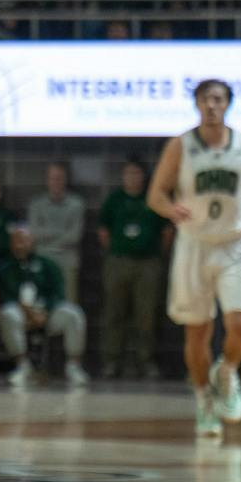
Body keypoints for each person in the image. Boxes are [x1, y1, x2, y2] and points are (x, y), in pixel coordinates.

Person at [147, 79, 241, 437]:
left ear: (228, 105)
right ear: (197, 104)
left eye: (218, 99)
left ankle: (226, 372)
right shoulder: (181, 146)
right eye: (205, 99)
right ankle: (204, 401)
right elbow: (156, 194)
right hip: (193, 243)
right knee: (198, 331)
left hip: (234, 243)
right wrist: (168, 208)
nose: (211, 105)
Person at [0, 224, 89, 389]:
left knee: (73, 314)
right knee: (8, 314)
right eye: (16, 241)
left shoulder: (48, 265)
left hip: (46, 314)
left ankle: (74, 366)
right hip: (20, 314)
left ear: (32, 242)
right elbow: (3, 296)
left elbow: (58, 293)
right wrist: (28, 312)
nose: (20, 245)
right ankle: (23, 366)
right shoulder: (4, 268)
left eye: (24, 241)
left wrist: (45, 311)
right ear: (11, 243)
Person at [99, 158, 170, 379]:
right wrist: (119, 250)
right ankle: (112, 361)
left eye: (136, 173)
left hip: (148, 263)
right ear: (122, 176)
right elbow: (103, 232)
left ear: (144, 176)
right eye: (128, 173)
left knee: (146, 315)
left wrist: (155, 253)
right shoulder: (114, 200)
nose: (132, 178)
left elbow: (167, 232)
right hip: (118, 262)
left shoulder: (153, 198)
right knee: (114, 313)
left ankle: (147, 361)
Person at [25, 160, 87, 301]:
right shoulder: (36, 204)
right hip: (42, 261)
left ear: (66, 180)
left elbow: (75, 236)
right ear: (47, 180)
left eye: (60, 178)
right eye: (53, 178)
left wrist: (47, 238)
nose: (56, 181)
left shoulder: (77, 204)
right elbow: (34, 233)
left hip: (68, 263)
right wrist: (61, 232)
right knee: (41, 304)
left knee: (69, 305)